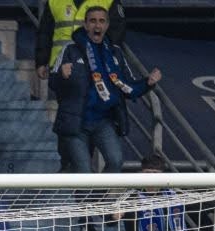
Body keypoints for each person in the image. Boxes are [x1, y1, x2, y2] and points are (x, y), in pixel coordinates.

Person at [50, 6, 160, 173]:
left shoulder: (115, 53)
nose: (97, 26)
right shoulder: (70, 50)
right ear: (85, 25)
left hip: (104, 122)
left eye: (101, 21)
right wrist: (61, 76)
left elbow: (128, 87)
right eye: (93, 21)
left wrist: (148, 83)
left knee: (116, 161)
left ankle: (99, 198)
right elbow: (52, 82)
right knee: (83, 171)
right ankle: (86, 198)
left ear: (107, 25)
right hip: (76, 123)